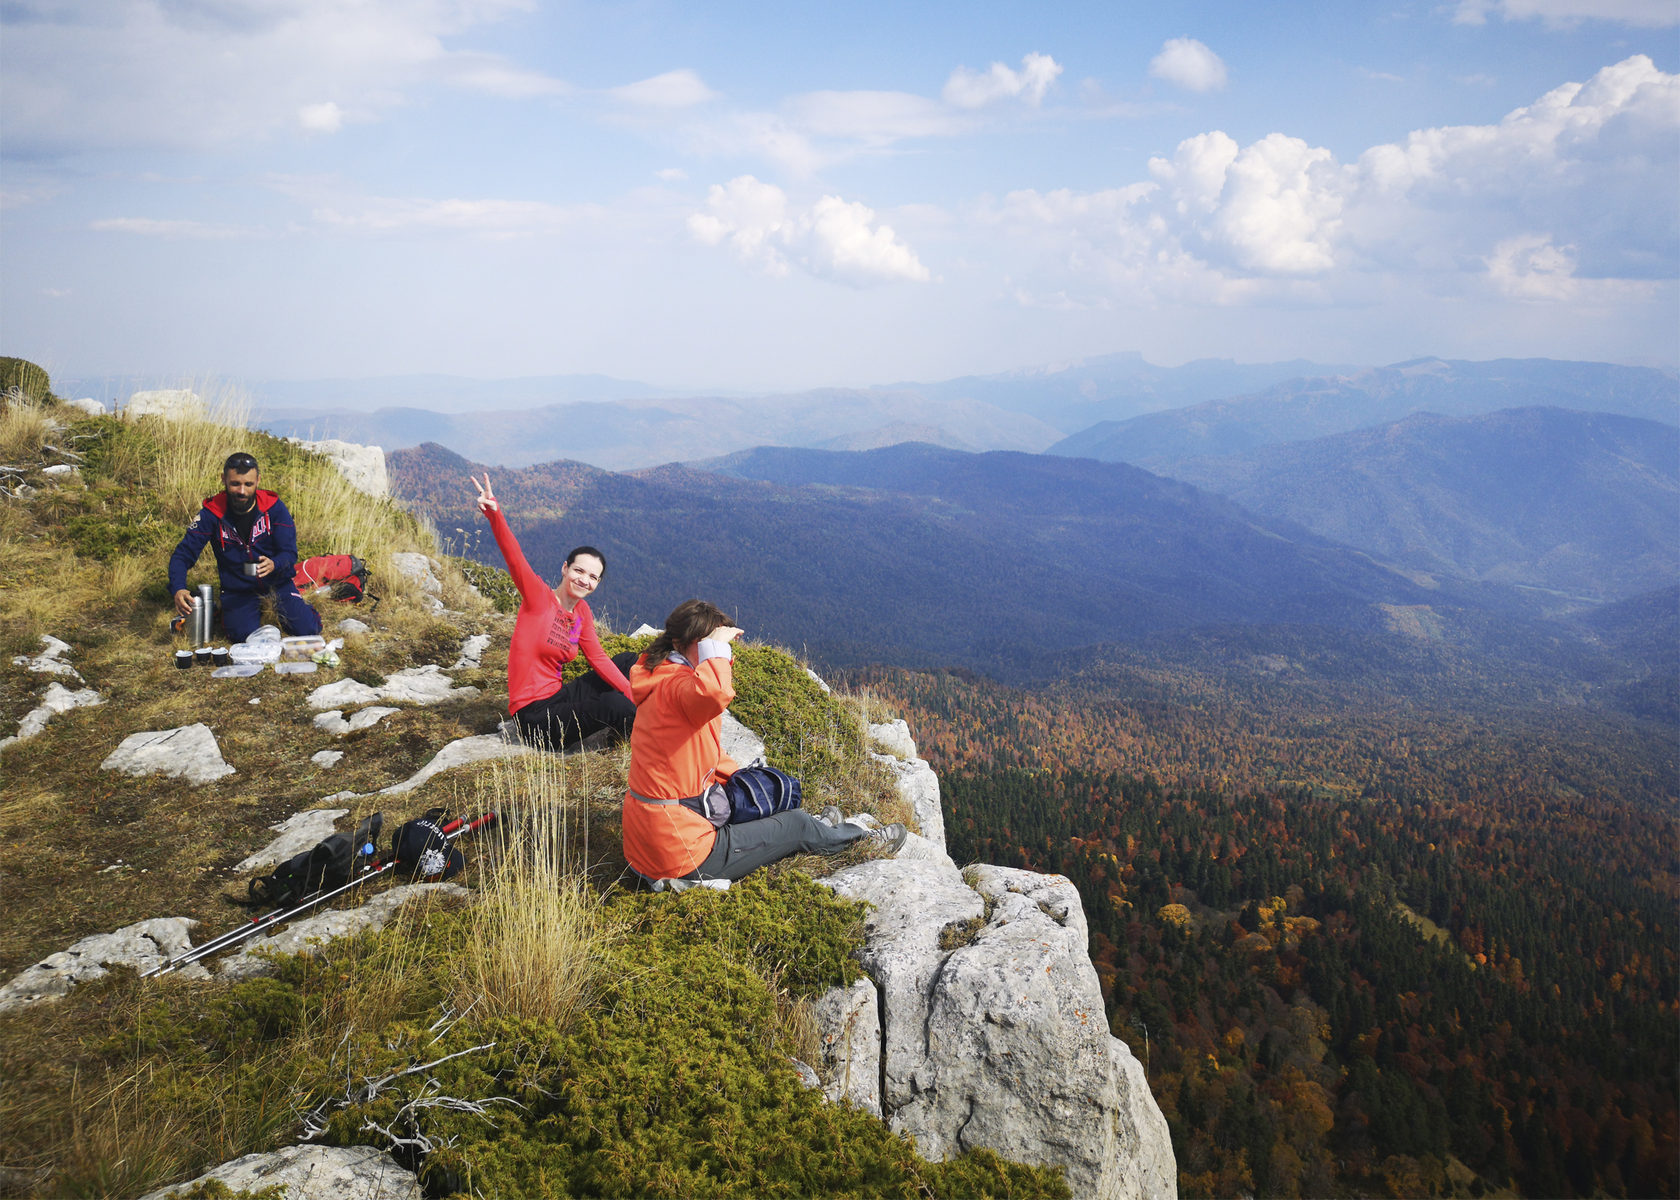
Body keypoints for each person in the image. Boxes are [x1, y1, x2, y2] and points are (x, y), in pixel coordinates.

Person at [622, 598, 907, 885]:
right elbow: (715, 693)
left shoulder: (663, 677)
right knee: (794, 825)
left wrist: (748, 783)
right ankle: (862, 841)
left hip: (651, 841)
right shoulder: (679, 688)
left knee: (760, 800)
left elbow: (700, 752)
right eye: (709, 644)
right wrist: (716, 648)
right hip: (680, 854)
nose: (719, 652)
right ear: (682, 643)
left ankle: (817, 828)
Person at [472, 473, 637, 750]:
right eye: (579, 571)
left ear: (597, 583)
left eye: (593, 577)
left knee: (629, 661)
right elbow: (515, 558)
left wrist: (631, 690)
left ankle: (655, 705)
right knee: (613, 704)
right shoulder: (539, 599)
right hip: (534, 717)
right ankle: (652, 740)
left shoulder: (581, 613)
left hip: (558, 697)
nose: (584, 580)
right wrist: (495, 515)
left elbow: (597, 657)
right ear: (565, 569)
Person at [168, 451, 323, 644]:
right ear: (224, 479)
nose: (242, 491)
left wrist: (275, 564)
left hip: (277, 584)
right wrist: (178, 588)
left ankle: (299, 605)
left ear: (258, 481)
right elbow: (183, 554)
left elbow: (289, 553)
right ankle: (224, 612)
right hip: (237, 590)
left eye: (248, 484)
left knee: (309, 629)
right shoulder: (212, 513)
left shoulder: (274, 507)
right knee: (242, 638)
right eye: (235, 484)